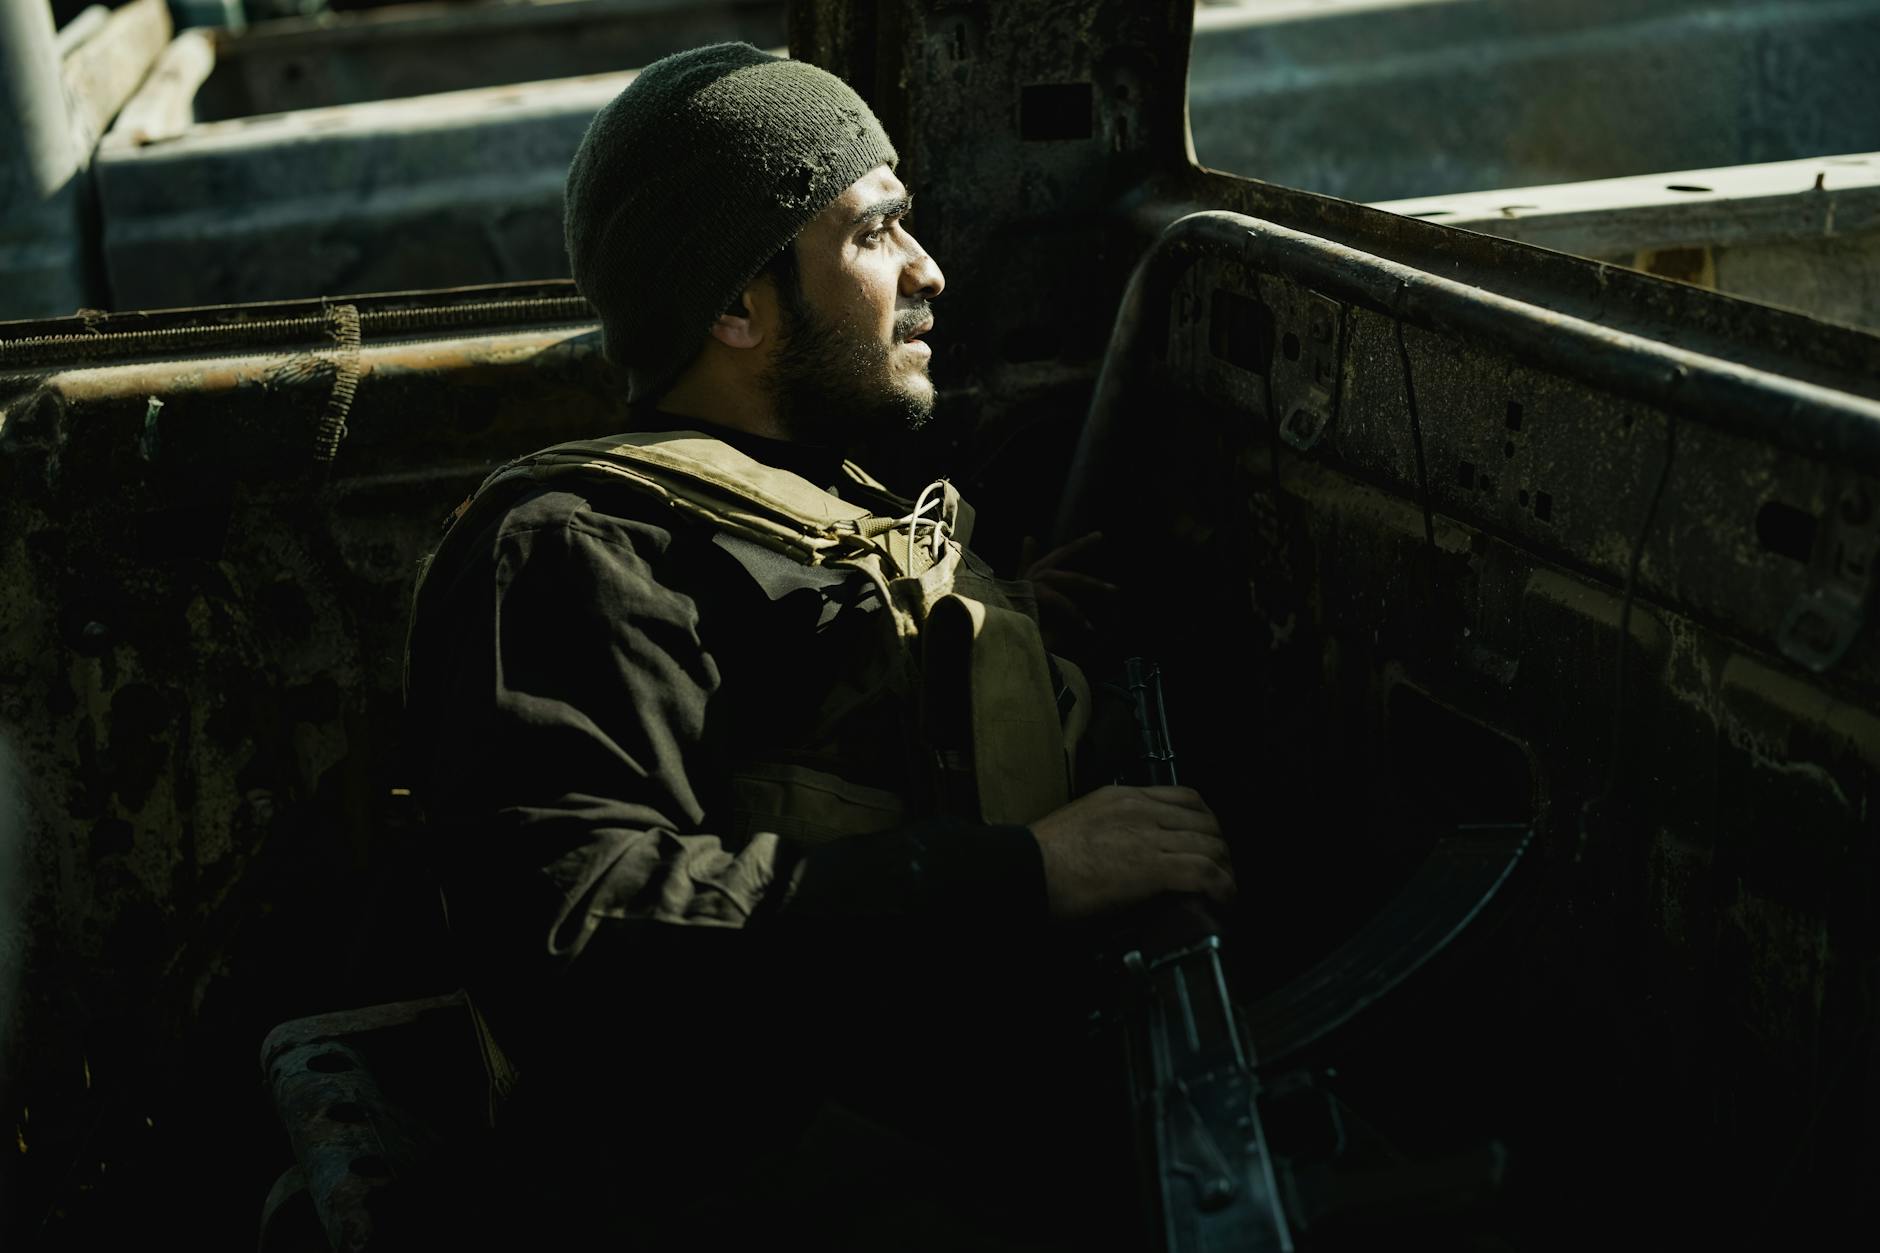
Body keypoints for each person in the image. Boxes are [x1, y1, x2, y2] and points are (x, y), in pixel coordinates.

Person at [401, 42, 1235, 1249]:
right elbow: (579, 925)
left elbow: (809, 719)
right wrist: (1029, 870)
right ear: (735, 307)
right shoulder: (574, 553)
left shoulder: (808, 492)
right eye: (874, 233)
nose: (927, 268)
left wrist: (992, 637)